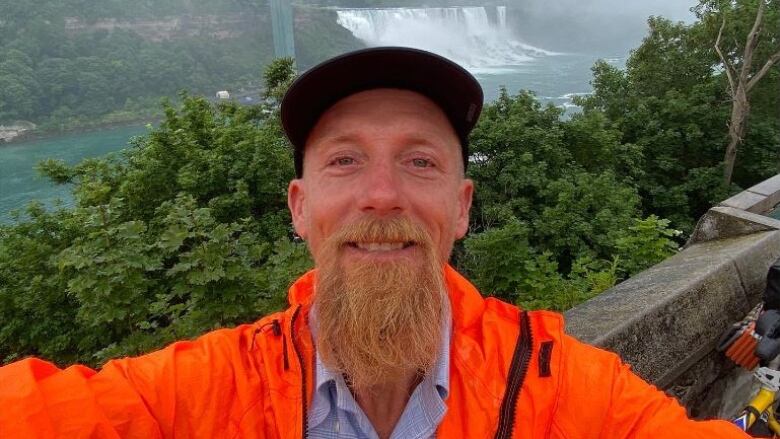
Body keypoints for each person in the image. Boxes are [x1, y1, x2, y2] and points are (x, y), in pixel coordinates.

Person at [0, 47, 748, 439]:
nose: (382, 194)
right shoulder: (204, 390)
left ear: (460, 208)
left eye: (419, 161)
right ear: (300, 208)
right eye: (344, 160)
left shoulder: (569, 391)